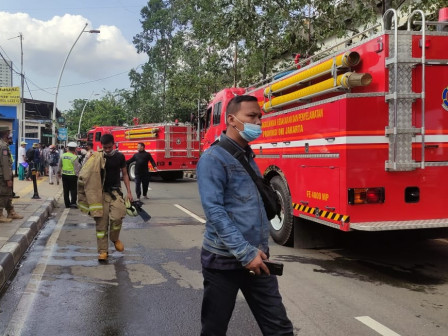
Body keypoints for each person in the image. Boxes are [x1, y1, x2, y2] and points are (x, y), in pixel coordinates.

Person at [197, 95, 293, 336]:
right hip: (223, 261)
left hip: (258, 258)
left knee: (279, 327)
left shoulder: (247, 155)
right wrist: (245, 252)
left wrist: (254, 252)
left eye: (260, 117)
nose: (258, 122)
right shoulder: (212, 159)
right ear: (231, 119)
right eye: (251, 116)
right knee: (214, 329)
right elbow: (215, 212)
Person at [87, 133, 133, 261]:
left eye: (109, 147)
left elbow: (124, 174)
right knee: (101, 224)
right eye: (105, 147)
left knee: (117, 217)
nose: (107, 150)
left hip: (115, 193)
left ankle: (115, 238)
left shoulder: (120, 157)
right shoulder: (97, 157)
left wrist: (129, 192)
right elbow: (86, 174)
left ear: (114, 144)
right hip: (99, 195)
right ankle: (103, 251)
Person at [0, 126, 24, 222]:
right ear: (6, 134)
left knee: (8, 194)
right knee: (2, 195)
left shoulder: (5, 145)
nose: (11, 135)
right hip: (3, 176)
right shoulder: (3, 146)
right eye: (9, 132)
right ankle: (0, 214)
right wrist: (7, 178)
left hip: (5, 174)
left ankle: (11, 212)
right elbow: (5, 164)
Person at [59, 142, 81, 208]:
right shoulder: (74, 157)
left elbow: (60, 165)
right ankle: (73, 203)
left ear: (68, 148)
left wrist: (58, 173)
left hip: (64, 175)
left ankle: (67, 204)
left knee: (66, 190)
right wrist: (78, 175)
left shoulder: (62, 156)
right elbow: (77, 167)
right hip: (72, 176)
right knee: (73, 189)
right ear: (75, 149)